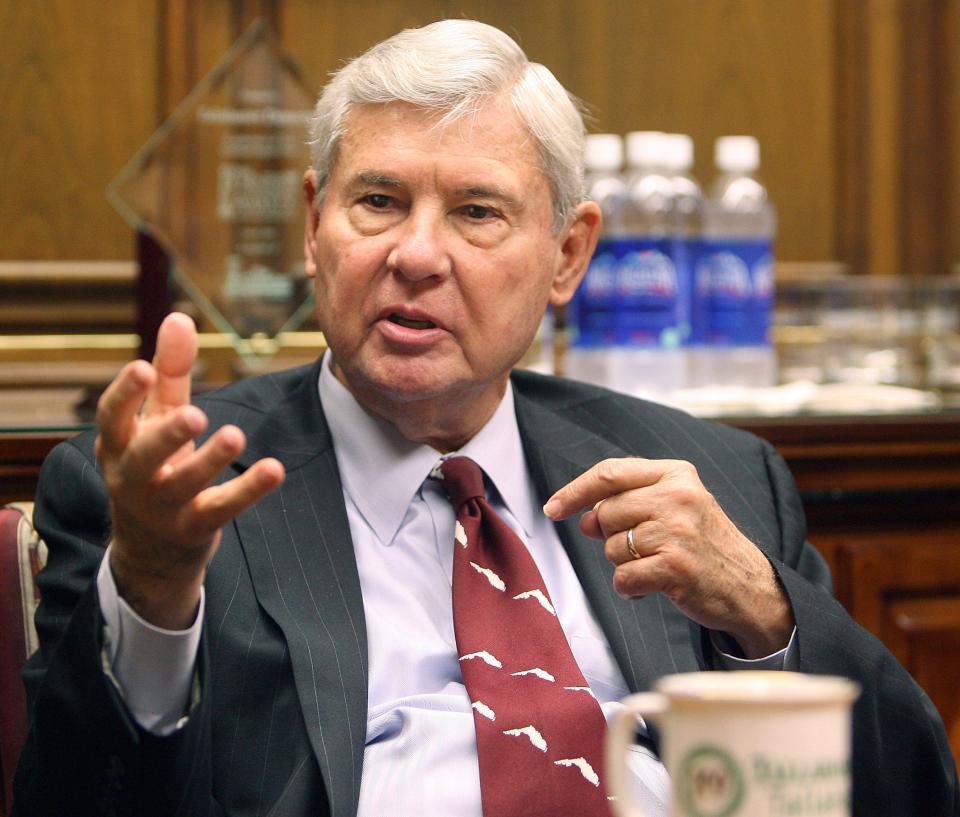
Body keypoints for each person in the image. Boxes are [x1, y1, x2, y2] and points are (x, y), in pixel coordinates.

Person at [14, 18, 957, 817]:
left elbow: (911, 786)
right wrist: (152, 588)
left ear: (567, 255)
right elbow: (76, 792)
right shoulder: (171, 492)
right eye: (378, 201)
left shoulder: (715, 475)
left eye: (476, 212)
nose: (416, 255)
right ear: (313, 224)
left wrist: (765, 614)